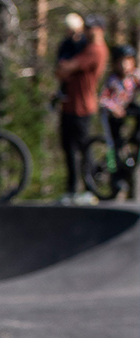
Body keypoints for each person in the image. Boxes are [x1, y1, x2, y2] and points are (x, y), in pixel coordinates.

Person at [56, 14, 109, 205]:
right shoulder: (85, 47)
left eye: (91, 28)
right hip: (70, 104)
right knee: (69, 148)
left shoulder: (95, 50)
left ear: (100, 30)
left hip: (82, 107)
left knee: (83, 149)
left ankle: (89, 188)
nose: (87, 31)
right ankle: (72, 190)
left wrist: (65, 66)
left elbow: (66, 67)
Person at [100, 44, 138, 195]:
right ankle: (116, 177)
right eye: (121, 61)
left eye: (128, 61)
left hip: (127, 109)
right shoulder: (113, 80)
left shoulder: (135, 77)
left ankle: (135, 138)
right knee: (114, 144)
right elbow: (102, 99)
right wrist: (114, 108)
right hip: (112, 114)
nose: (124, 65)